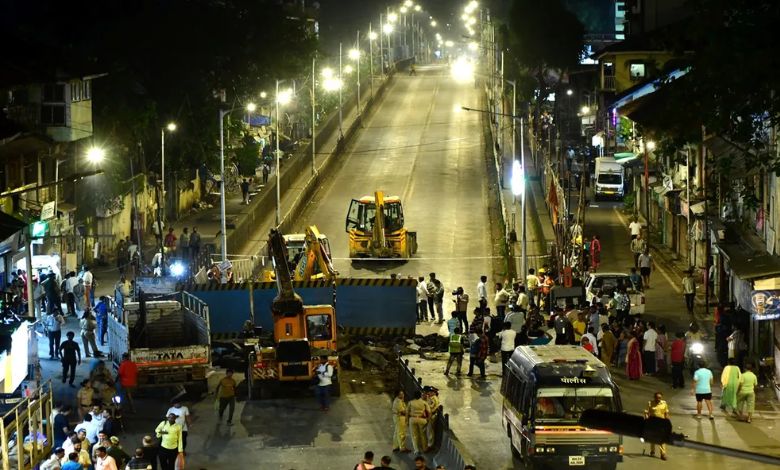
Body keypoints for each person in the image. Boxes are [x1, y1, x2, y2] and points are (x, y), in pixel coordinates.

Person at [644, 392, 670, 460]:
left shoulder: (664, 403)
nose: (658, 399)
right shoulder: (650, 403)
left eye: (660, 398)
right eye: (657, 397)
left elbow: (666, 413)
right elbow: (646, 412)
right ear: (654, 397)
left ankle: (663, 454)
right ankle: (652, 451)